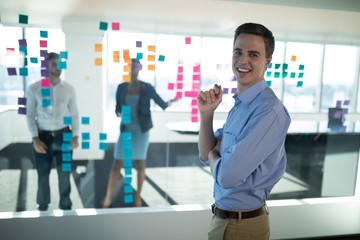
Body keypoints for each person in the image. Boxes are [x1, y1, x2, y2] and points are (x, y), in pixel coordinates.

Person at [197, 23, 291, 240]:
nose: (243, 60)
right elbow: (205, 154)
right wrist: (207, 114)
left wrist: (214, 155)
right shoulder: (240, 106)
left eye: (253, 54)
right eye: (238, 52)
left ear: (267, 61)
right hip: (223, 219)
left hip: (243, 226)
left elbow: (227, 176)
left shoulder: (268, 112)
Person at [103, 59, 176, 208]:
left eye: (135, 67)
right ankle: (108, 198)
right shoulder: (121, 87)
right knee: (117, 164)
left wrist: (172, 101)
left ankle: (137, 197)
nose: (133, 70)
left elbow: (161, 104)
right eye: (130, 67)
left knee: (140, 164)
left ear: (139, 69)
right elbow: (117, 108)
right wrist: (120, 113)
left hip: (141, 132)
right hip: (126, 131)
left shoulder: (147, 87)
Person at [26, 52, 79, 211]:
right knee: (43, 175)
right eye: (55, 64)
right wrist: (34, 138)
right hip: (42, 137)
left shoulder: (69, 89)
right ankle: (42, 206)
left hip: (64, 136)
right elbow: (30, 114)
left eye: (60, 64)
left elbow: (75, 113)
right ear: (46, 66)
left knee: (64, 175)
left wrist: (75, 135)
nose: (58, 68)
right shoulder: (34, 88)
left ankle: (65, 205)